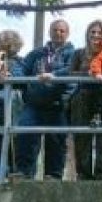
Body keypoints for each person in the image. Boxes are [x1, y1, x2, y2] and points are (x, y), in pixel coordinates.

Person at [13, 19, 75, 180]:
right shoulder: (37, 53)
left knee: (56, 140)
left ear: (67, 34)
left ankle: (53, 176)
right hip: (34, 104)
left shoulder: (72, 53)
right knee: (25, 134)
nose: (58, 33)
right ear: (49, 31)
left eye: (62, 30)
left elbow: (73, 70)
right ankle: (24, 173)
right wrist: (16, 78)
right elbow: (21, 68)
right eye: (55, 30)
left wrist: (55, 76)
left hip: (58, 104)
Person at [68, 21, 102, 180]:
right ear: (87, 34)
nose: (96, 35)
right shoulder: (79, 53)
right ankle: (83, 173)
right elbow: (71, 74)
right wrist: (87, 74)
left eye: (99, 32)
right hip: (83, 95)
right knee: (82, 135)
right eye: (93, 32)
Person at [0, 30, 25, 179]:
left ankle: (5, 174)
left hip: (7, 109)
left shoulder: (17, 62)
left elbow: (20, 78)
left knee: (6, 143)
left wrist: (6, 75)